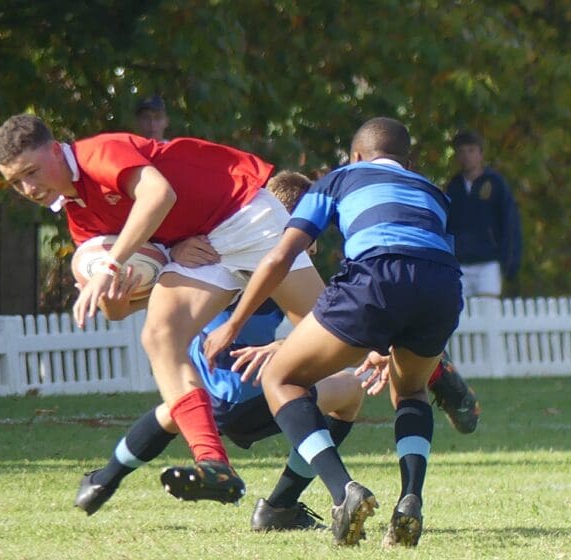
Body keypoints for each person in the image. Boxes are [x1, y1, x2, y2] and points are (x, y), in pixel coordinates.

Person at [0, 114, 324, 505]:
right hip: (205, 248)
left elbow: (158, 195)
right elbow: (117, 312)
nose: (28, 188)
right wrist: (116, 297)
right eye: (16, 182)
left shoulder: (98, 152)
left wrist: (113, 264)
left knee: (333, 335)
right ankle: (214, 465)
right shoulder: (80, 217)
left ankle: (402, 376)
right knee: (160, 336)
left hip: (244, 213)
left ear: (54, 149)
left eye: (31, 171)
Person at [203, 118, 463, 547]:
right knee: (412, 391)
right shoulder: (433, 193)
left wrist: (233, 324)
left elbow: (281, 256)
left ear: (355, 155)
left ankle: (344, 491)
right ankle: (410, 498)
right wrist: (393, 337)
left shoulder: (338, 179)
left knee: (281, 378)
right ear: (408, 159)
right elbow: (431, 265)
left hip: (374, 278)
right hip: (441, 288)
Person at [76, 170, 365, 531]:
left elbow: (128, 310)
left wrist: (119, 298)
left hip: (206, 397)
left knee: (175, 408)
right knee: (351, 390)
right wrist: (281, 345)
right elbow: (324, 331)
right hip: (251, 397)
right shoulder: (280, 263)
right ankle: (282, 504)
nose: (316, 245)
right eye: (315, 232)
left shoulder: (207, 253)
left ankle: (104, 478)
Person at [444, 129, 522, 298]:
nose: (466, 156)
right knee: (462, 315)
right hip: (461, 263)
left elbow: (509, 223)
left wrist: (509, 261)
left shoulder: (495, 184)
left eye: (471, 150)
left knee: (489, 313)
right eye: (462, 151)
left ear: (481, 154)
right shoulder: (453, 187)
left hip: (489, 261)